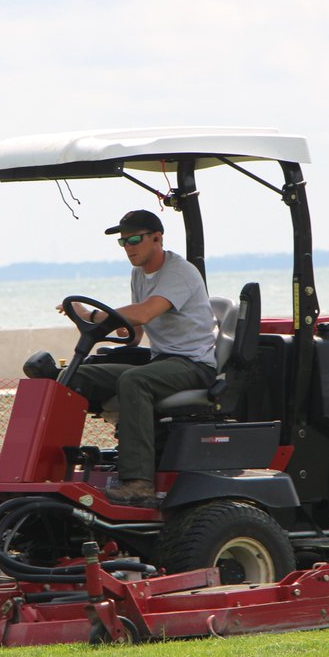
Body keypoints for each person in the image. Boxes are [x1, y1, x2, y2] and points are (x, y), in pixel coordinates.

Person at [62, 209, 217, 506]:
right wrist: (113, 328)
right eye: (123, 242)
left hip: (193, 364)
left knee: (134, 381)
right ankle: (57, 465)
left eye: (134, 239)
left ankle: (138, 483)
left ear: (157, 238)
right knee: (74, 375)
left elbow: (145, 312)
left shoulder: (180, 272)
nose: (128, 247)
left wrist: (94, 316)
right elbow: (135, 331)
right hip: (161, 361)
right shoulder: (139, 274)